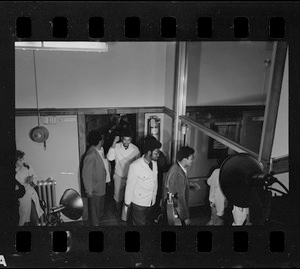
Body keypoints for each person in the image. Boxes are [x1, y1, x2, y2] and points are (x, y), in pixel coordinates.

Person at [124, 136, 162, 225]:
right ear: (149, 152)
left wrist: (154, 199)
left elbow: (154, 182)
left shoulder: (154, 163)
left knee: (147, 224)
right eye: (156, 153)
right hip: (139, 203)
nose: (158, 155)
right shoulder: (135, 166)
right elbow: (130, 186)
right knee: (140, 225)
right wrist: (127, 203)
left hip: (151, 201)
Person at [107, 129, 140, 220]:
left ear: (131, 140)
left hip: (130, 177)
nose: (126, 142)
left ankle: (126, 217)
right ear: (121, 138)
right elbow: (110, 158)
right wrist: (114, 141)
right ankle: (118, 214)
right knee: (117, 197)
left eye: (128, 140)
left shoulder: (135, 149)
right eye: (125, 139)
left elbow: (138, 164)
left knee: (129, 197)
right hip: (118, 176)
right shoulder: (116, 146)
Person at [164, 146, 200, 226]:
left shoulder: (179, 168)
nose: (193, 161)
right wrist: (185, 217)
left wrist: (191, 185)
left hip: (176, 210)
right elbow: (179, 198)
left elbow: (180, 185)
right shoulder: (177, 173)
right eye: (191, 159)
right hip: (176, 211)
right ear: (184, 159)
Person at [82, 130, 108, 226]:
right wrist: (89, 191)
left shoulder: (99, 150)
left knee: (98, 211)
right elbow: (86, 174)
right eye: (102, 139)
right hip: (94, 189)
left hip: (100, 187)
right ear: (99, 140)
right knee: (94, 213)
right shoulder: (91, 154)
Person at [15, 150, 44, 226]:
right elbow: (16, 186)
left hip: (32, 195)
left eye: (23, 159)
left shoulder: (28, 167)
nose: (22, 161)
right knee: (23, 220)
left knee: (35, 219)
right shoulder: (14, 172)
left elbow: (35, 180)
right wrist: (25, 182)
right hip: (22, 198)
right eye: (20, 160)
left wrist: (31, 180)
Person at [145, 136, 169, 224]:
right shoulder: (160, 155)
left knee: (154, 202)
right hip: (157, 183)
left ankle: (153, 218)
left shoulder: (158, 156)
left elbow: (163, 170)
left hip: (157, 183)